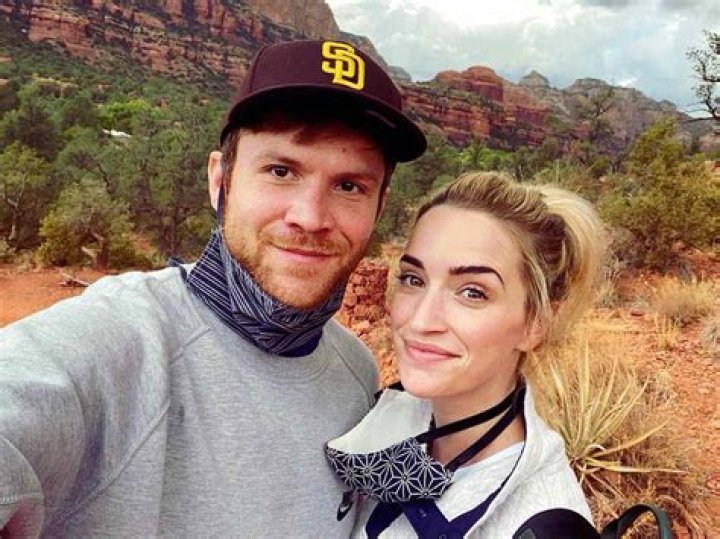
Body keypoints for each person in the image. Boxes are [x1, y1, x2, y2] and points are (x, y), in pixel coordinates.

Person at [0, 40, 426, 536]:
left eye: (349, 186)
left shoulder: (355, 370)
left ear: (379, 205)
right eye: (281, 171)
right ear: (219, 180)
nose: (311, 217)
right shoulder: (114, 347)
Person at [326, 171, 606, 538]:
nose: (420, 320)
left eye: (473, 292)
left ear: (535, 323)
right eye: (413, 279)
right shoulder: (389, 421)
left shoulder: (540, 520)